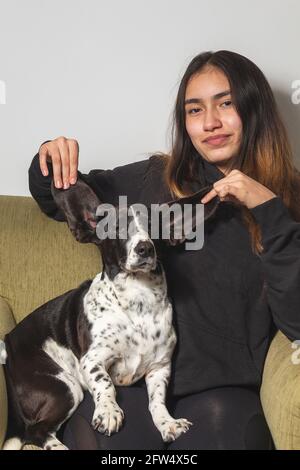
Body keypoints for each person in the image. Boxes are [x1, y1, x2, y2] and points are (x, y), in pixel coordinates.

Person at [28, 50, 300, 450]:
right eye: (194, 110)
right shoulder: (153, 181)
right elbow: (61, 200)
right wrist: (49, 157)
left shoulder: (288, 201)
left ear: (254, 108)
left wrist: (269, 210)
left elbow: (296, 321)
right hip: (127, 388)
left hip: (221, 393)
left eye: (226, 103)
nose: (210, 122)